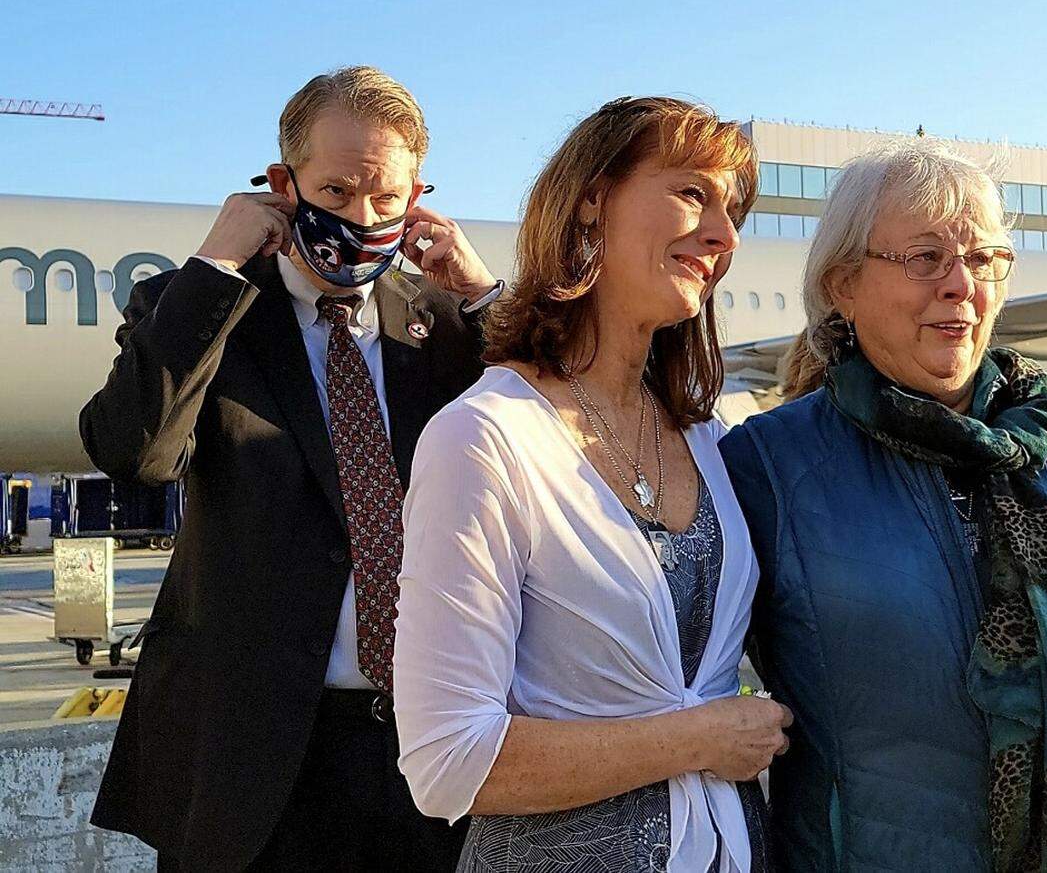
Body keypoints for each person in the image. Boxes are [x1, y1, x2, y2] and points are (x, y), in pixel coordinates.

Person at [80, 66, 503, 871]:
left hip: (434, 747)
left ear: (419, 199)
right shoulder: (199, 305)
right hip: (256, 762)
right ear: (283, 184)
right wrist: (216, 261)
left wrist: (482, 296)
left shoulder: (445, 325)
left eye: (386, 199)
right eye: (336, 191)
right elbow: (133, 452)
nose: (361, 218)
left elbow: (556, 439)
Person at [392, 96, 791, 872]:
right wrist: (701, 736)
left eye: (732, 209)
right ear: (591, 199)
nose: (724, 235)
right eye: (692, 193)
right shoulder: (485, 438)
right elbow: (445, 759)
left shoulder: (705, 439)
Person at [720, 139, 1047, 871]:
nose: (960, 285)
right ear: (843, 282)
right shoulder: (768, 466)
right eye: (924, 258)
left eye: (982, 259)